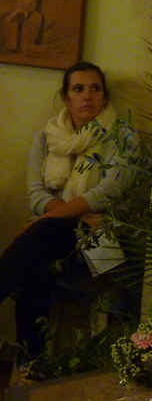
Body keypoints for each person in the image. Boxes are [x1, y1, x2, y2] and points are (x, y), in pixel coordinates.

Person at [0, 61, 130, 361]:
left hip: (101, 237)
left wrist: (45, 219)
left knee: (41, 232)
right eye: (78, 89)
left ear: (105, 96)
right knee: (38, 262)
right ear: (65, 97)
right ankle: (32, 361)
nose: (87, 96)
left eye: (94, 89)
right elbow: (36, 195)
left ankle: (29, 360)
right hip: (52, 237)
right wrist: (70, 215)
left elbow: (108, 191)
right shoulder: (46, 137)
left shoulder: (123, 138)